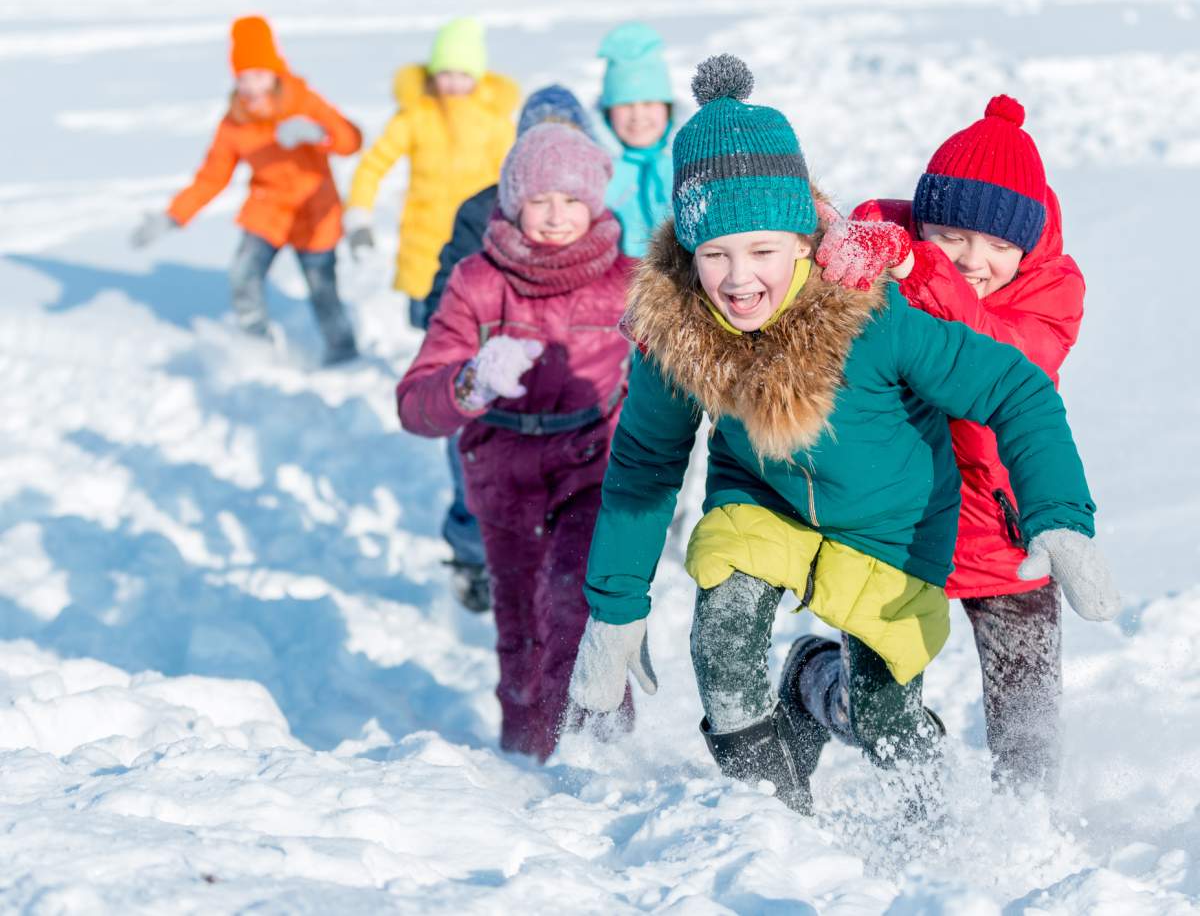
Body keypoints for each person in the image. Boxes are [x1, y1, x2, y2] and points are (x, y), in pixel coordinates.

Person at [567, 56, 1119, 815]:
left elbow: (1017, 376)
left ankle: (985, 831)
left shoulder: (899, 301)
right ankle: (775, 818)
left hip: (942, 520)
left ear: (800, 241)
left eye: (762, 250)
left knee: (925, 717)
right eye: (714, 254)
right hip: (778, 503)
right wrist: (616, 605)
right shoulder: (694, 321)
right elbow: (645, 460)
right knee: (724, 644)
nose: (737, 279)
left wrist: (1059, 514)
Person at [816, 95, 1087, 789]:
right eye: (953, 237)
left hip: (1002, 537)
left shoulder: (1050, 292)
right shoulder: (875, 244)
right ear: (923, 215)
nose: (974, 261)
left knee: (1029, 736)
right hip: (894, 527)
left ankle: (1030, 846)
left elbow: (1005, 362)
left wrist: (918, 269)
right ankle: (815, 686)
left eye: (1000, 245)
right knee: (875, 715)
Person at [395, 124, 634, 761]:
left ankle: (599, 754)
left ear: (597, 203)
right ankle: (526, 755)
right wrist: (470, 382)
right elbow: (416, 402)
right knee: (520, 624)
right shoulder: (478, 279)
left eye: (573, 200)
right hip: (501, 473)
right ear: (514, 201)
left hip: (591, 464)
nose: (557, 217)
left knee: (575, 602)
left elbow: (696, 350)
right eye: (541, 200)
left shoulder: (628, 281)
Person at [422, 85, 599, 613]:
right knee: (476, 482)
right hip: (493, 377)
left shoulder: (588, 214)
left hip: (565, 382)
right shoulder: (482, 209)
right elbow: (446, 291)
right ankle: (472, 556)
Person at [131, 15, 362, 365]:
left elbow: (351, 140)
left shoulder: (303, 101)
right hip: (268, 209)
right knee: (243, 274)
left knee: (322, 288)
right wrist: (173, 216)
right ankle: (258, 344)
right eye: (242, 77)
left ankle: (343, 352)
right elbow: (212, 176)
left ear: (275, 71)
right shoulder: (235, 121)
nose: (251, 86)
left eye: (258, 74)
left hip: (315, 211)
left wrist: (316, 133)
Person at [342, 17, 518, 326]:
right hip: (423, 245)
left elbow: (511, 177)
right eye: (445, 73)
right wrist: (359, 213)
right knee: (428, 325)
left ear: (478, 75)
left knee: (477, 322)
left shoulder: (494, 121)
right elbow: (373, 165)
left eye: (463, 74)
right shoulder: (416, 116)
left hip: (478, 241)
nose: (452, 82)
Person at [596, 22, 674, 258]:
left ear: (668, 109)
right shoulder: (600, 171)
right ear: (608, 112)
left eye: (649, 103)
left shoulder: (684, 167)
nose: (638, 115)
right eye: (626, 105)